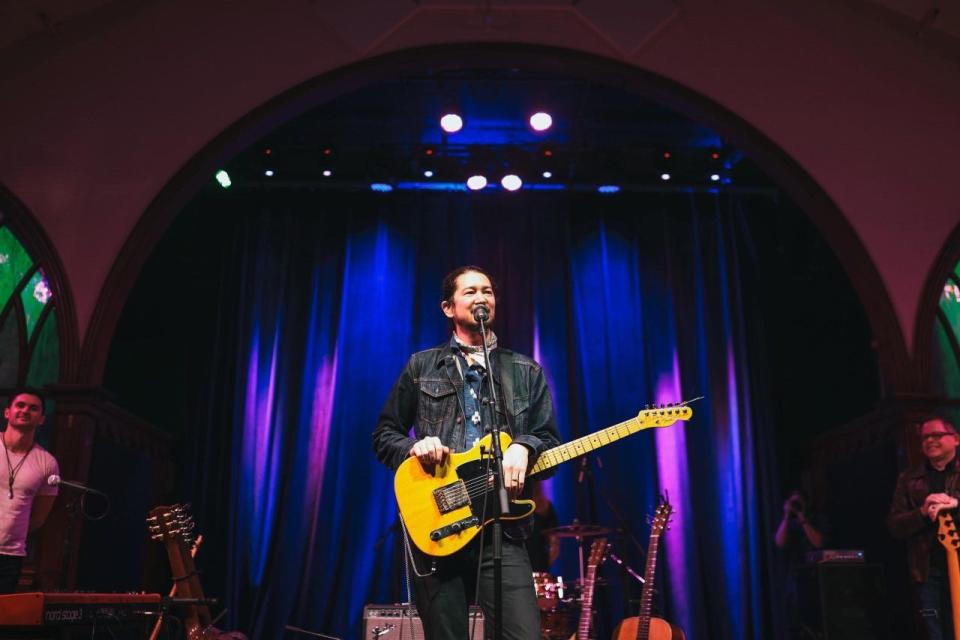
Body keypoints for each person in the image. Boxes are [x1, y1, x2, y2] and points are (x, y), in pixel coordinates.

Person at [373, 266, 561, 640]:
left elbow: (549, 439)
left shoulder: (524, 370)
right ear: (448, 307)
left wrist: (526, 446)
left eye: (488, 291)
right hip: (439, 526)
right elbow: (384, 434)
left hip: (503, 526)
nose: (482, 299)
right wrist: (415, 447)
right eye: (471, 292)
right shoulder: (421, 366)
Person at [888, 415, 960, 640]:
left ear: (956, 439)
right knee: (933, 627)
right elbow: (895, 525)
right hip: (929, 575)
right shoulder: (909, 479)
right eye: (925, 437)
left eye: (936, 435)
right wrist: (921, 513)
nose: (930, 440)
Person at [0, 387, 59, 594]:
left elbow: (39, 518)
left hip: (10, 557)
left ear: (41, 419)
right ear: (7, 412)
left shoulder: (48, 463)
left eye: (33, 408)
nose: (25, 411)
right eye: (20, 405)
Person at [525, 480, 559, 573]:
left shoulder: (546, 507)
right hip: (527, 561)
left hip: (536, 563)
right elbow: (555, 547)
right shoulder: (546, 506)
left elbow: (555, 545)